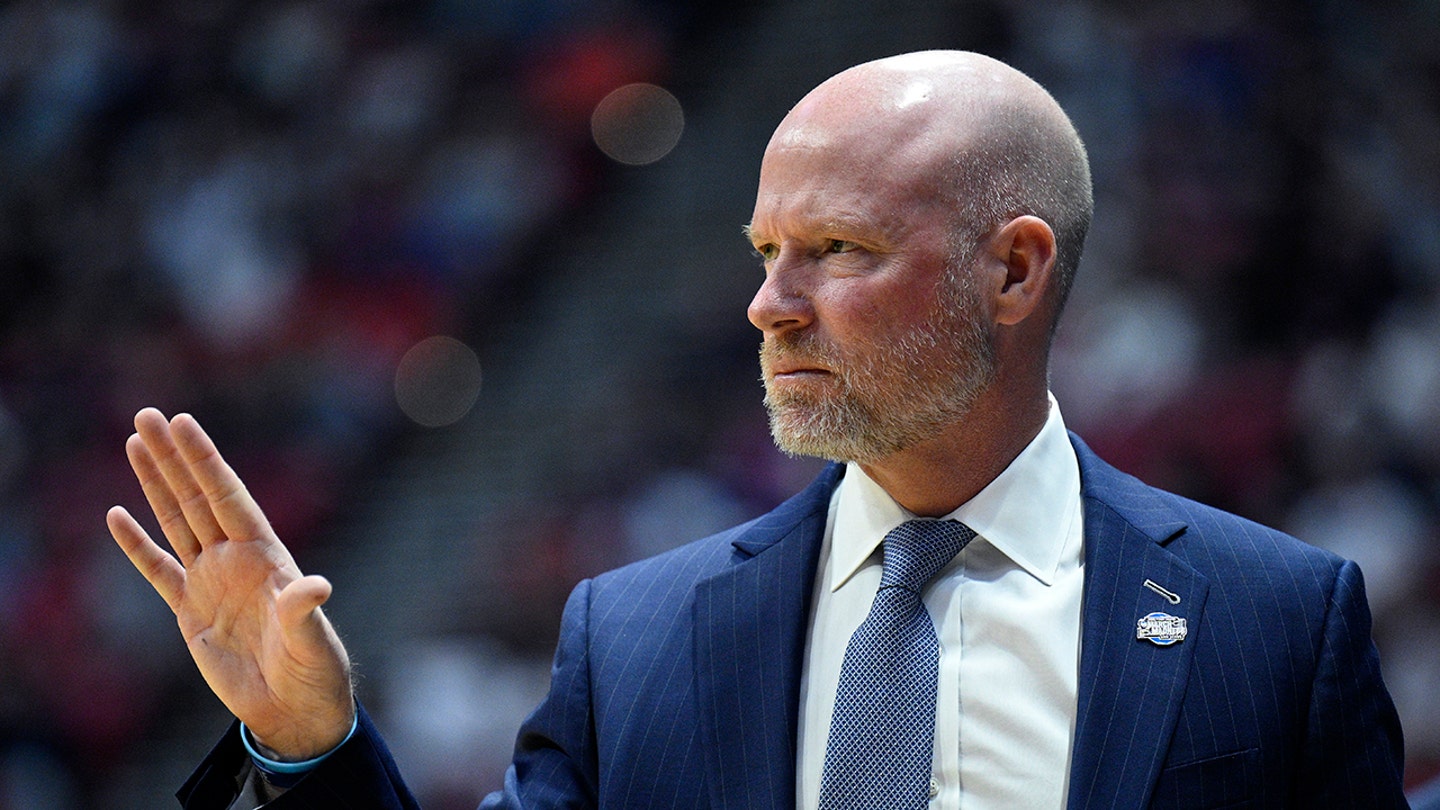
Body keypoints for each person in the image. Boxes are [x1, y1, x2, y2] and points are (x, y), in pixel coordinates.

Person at [108, 51, 1408, 809]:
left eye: (835, 249)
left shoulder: (1276, 623)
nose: (769, 305)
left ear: (1012, 272)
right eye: (765, 252)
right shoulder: (633, 637)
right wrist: (307, 742)